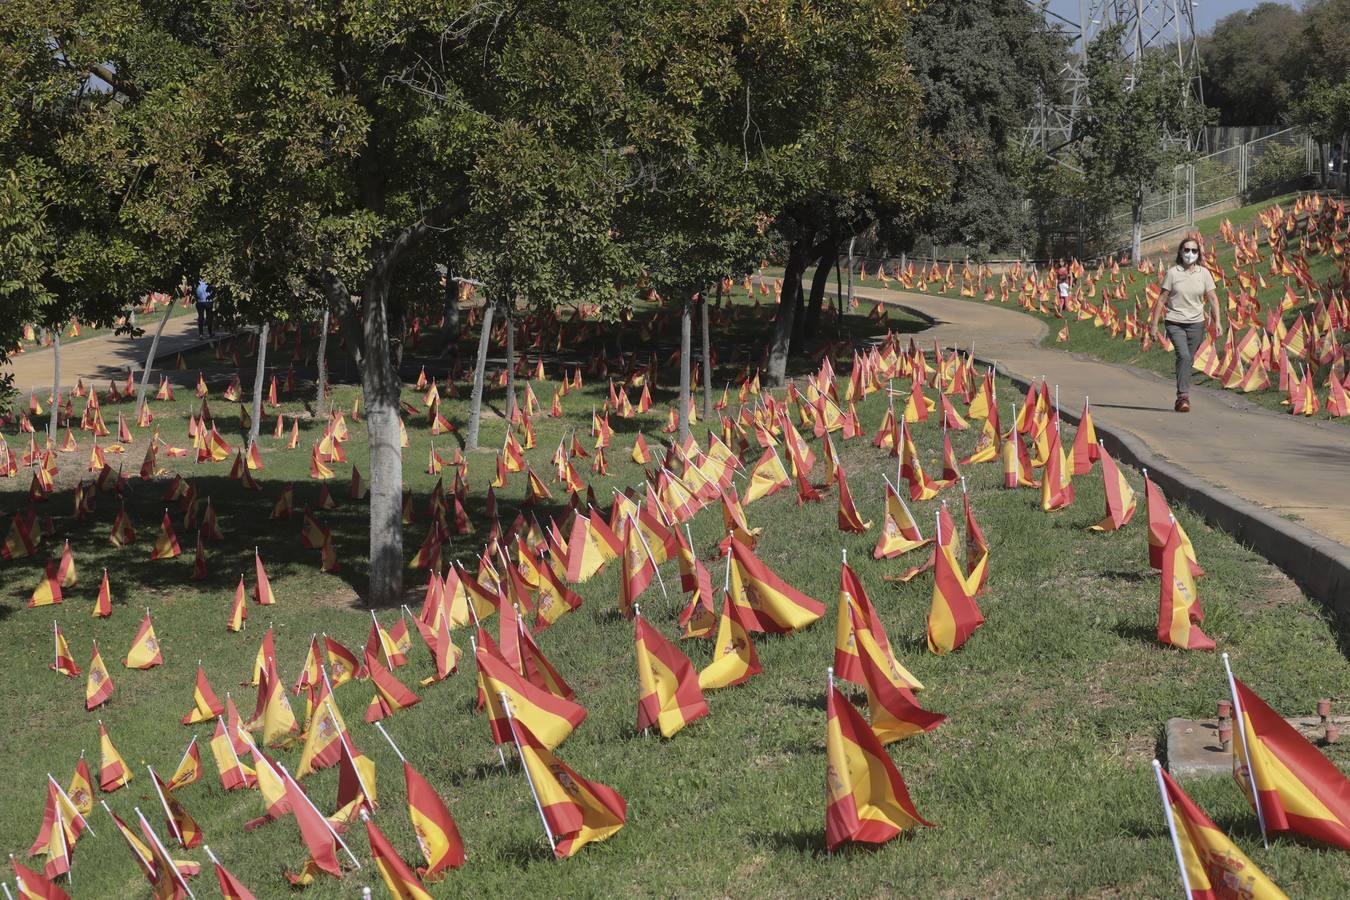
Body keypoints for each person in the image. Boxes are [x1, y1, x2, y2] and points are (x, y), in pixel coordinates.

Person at [1149, 236, 1221, 412]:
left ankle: (1181, 397)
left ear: (1198, 253)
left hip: (1196, 323)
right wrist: (1154, 325)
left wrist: (1217, 321)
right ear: (1181, 252)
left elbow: (1213, 298)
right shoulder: (1173, 273)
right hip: (1175, 322)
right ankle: (1183, 396)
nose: (1190, 253)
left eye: (1194, 250)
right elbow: (1161, 300)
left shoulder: (1204, 273)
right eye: (1186, 250)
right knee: (1185, 356)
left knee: (1187, 359)